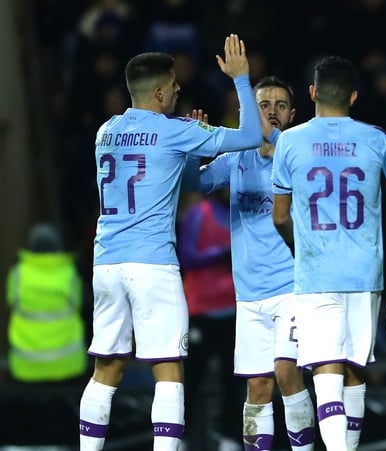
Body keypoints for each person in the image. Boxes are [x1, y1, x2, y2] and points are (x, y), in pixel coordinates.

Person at [79, 34, 262, 451]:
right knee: (169, 369)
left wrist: (192, 150)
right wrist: (240, 79)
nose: (179, 90)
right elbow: (251, 134)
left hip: (106, 263)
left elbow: (178, 177)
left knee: (105, 368)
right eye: (175, 85)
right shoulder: (175, 130)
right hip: (152, 264)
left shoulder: (106, 132)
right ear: (160, 92)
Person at [271, 55, 386, 451]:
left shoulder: (289, 141)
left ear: (311, 93)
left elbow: (278, 217)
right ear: (354, 97)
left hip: (316, 270)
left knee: (326, 367)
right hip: (364, 272)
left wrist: (302, 245)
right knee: (353, 367)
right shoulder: (375, 138)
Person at [191, 75, 316, 451]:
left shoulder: (298, 158)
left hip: (292, 289)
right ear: (249, 110)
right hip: (248, 296)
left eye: (280, 106)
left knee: (286, 373)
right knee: (257, 386)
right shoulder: (235, 160)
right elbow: (191, 184)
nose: (272, 113)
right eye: (263, 105)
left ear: (292, 116)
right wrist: (196, 151)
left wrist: (269, 137)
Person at [177, 189, 243, 450]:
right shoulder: (198, 214)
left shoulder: (238, 215)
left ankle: (229, 437)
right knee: (192, 377)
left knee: (232, 377)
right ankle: (179, 438)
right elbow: (186, 256)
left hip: (232, 308)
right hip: (201, 310)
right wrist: (221, 253)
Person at [5, 223, 87, 383]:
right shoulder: (69, 273)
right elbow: (79, 303)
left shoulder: (18, 273)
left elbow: (10, 302)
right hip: (68, 365)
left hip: (26, 366)